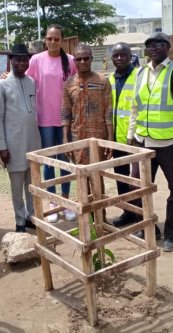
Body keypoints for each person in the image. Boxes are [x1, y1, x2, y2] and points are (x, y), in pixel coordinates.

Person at [127, 33, 173, 252]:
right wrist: (130, 137)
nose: (153, 48)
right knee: (137, 187)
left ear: (168, 47)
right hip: (143, 142)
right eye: (149, 45)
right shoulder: (140, 72)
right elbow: (135, 107)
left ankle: (171, 233)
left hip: (170, 145)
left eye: (158, 44)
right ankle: (150, 227)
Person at [26, 24, 77, 223]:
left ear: (62, 40)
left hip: (66, 120)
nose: (53, 42)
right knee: (48, 161)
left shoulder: (70, 60)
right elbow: (26, 81)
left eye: (56, 38)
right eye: (49, 38)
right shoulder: (36, 60)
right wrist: (7, 76)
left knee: (65, 160)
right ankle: (53, 202)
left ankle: (65, 200)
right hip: (45, 118)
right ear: (45, 40)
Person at [0, 44, 41, 233]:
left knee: (32, 184)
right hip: (13, 145)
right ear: (11, 60)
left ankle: (31, 216)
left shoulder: (32, 81)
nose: (22, 63)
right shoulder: (2, 85)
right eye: (18, 59)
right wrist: (2, 146)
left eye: (25, 59)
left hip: (33, 142)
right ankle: (20, 221)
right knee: (16, 187)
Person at [62, 44, 112, 178]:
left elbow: (108, 111)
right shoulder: (69, 84)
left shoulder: (103, 81)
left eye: (86, 58)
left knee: (97, 176)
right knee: (81, 177)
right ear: (74, 61)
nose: (82, 62)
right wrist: (65, 139)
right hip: (77, 137)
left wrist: (110, 139)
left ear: (91, 59)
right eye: (79, 59)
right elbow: (65, 112)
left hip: (99, 137)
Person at [108, 43, 141, 228]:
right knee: (120, 178)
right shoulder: (110, 79)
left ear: (130, 56)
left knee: (136, 180)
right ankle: (127, 212)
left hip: (135, 138)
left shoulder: (139, 76)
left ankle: (139, 214)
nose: (119, 58)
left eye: (123, 55)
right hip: (117, 139)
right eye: (116, 55)